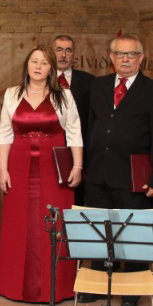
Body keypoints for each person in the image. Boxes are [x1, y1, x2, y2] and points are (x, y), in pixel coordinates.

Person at [83, 33, 153, 306]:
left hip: (133, 178)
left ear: (141, 58)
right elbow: (91, 127)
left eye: (131, 54)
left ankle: (132, 292)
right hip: (99, 173)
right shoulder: (99, 86)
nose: (125, 59)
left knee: (132, 236)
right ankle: (96, 284)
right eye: (120, 54)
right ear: (111, 58)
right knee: (98, 232)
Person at [0, 45, 83, 303]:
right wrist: (3, 169)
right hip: (19, 164)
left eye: (44, 63)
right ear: (27, 65)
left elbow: (74, 132)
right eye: (34, 61)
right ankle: (14, 286)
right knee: (18, 222)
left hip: (53, 166)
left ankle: (57, 286)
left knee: (54, 222)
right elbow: (5, 134)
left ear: (51, 69)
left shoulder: (64, 95)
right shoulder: (12, 94)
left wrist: (77, 166)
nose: (38, 67)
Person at [52, 34, 94, 204]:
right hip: (49, 150)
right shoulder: (40, 79)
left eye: (68, 50)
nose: (63, 55)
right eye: (59, 50)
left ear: (74, 54)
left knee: (76, 201)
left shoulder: (90, 82)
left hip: (80, 151)